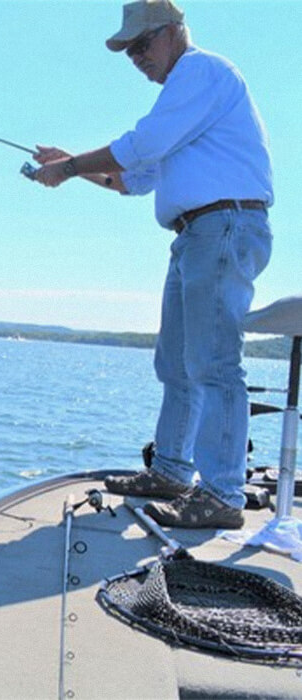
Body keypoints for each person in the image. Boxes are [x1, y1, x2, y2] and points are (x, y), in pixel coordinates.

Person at [32, 0, 273, 529]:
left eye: (143, 44)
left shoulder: (203, 73)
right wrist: (70, 168)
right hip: (194, 236)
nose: (136, 57)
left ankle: (222, 495)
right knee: (176, 363)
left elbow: (142, 145)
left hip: (223, 228)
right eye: (129, 50)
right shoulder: (179, 106)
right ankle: (170, 470)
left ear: (174, 32)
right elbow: (132, 178)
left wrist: (71, 166)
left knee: (212, 363)